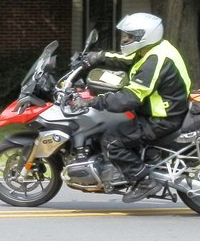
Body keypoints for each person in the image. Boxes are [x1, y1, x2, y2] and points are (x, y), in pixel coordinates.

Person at [72, 13, 191, 203]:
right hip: (164, 111)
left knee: (111, 141)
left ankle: (144, 181)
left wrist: (92, 102)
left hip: (162, 119)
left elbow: (130, 98)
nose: (124, 40)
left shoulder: (155, 61)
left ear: (143, 36)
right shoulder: (153, 50)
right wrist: (97, 57)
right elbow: (125, 59)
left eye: (129, 36)